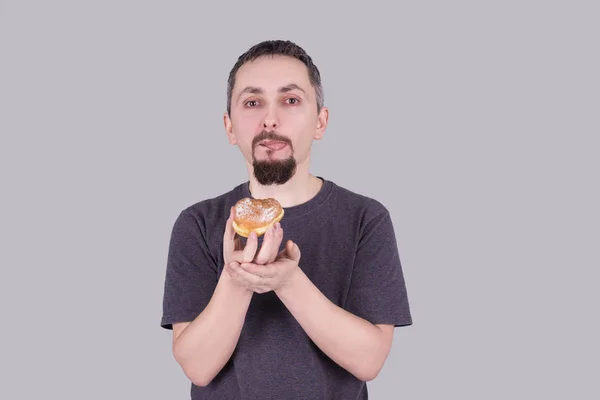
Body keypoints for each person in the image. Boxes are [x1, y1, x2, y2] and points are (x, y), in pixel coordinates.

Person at [160, 39, 413, 399]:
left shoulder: (365, 219)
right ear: (230, 128)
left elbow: (369, 360)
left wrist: (288, 281)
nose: (270, 119)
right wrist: (237, 279)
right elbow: (198, 367)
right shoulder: (198, 223)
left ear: (320, 122)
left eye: (290, 100)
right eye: (252, 102)